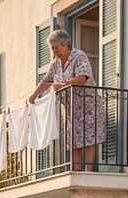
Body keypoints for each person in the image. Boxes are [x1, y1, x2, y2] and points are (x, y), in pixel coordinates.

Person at [28, 29, 103, 172]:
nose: (54, 51)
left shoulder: (79, 56)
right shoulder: (55, 63)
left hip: (88, 105)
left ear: (65, 45)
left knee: (89, 138)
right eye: (52, 48)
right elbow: (46, 81)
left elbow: (83, 77)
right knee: (74, 140)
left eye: (56, 47)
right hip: (70, 109)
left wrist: (63, 84)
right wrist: (33, 95)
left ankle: (88, 170)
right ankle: (75, 169)